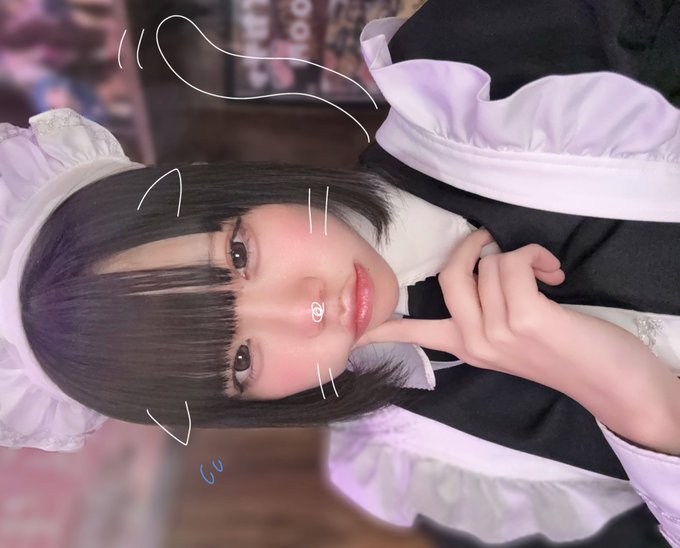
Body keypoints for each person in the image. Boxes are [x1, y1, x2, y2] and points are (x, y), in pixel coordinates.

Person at [0, 1, 678, 547]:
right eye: (241, 360)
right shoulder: (447, 472)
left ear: (213, 183)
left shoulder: (486, 64)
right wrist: (640, 409)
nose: (307, 310)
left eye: (238, 257)